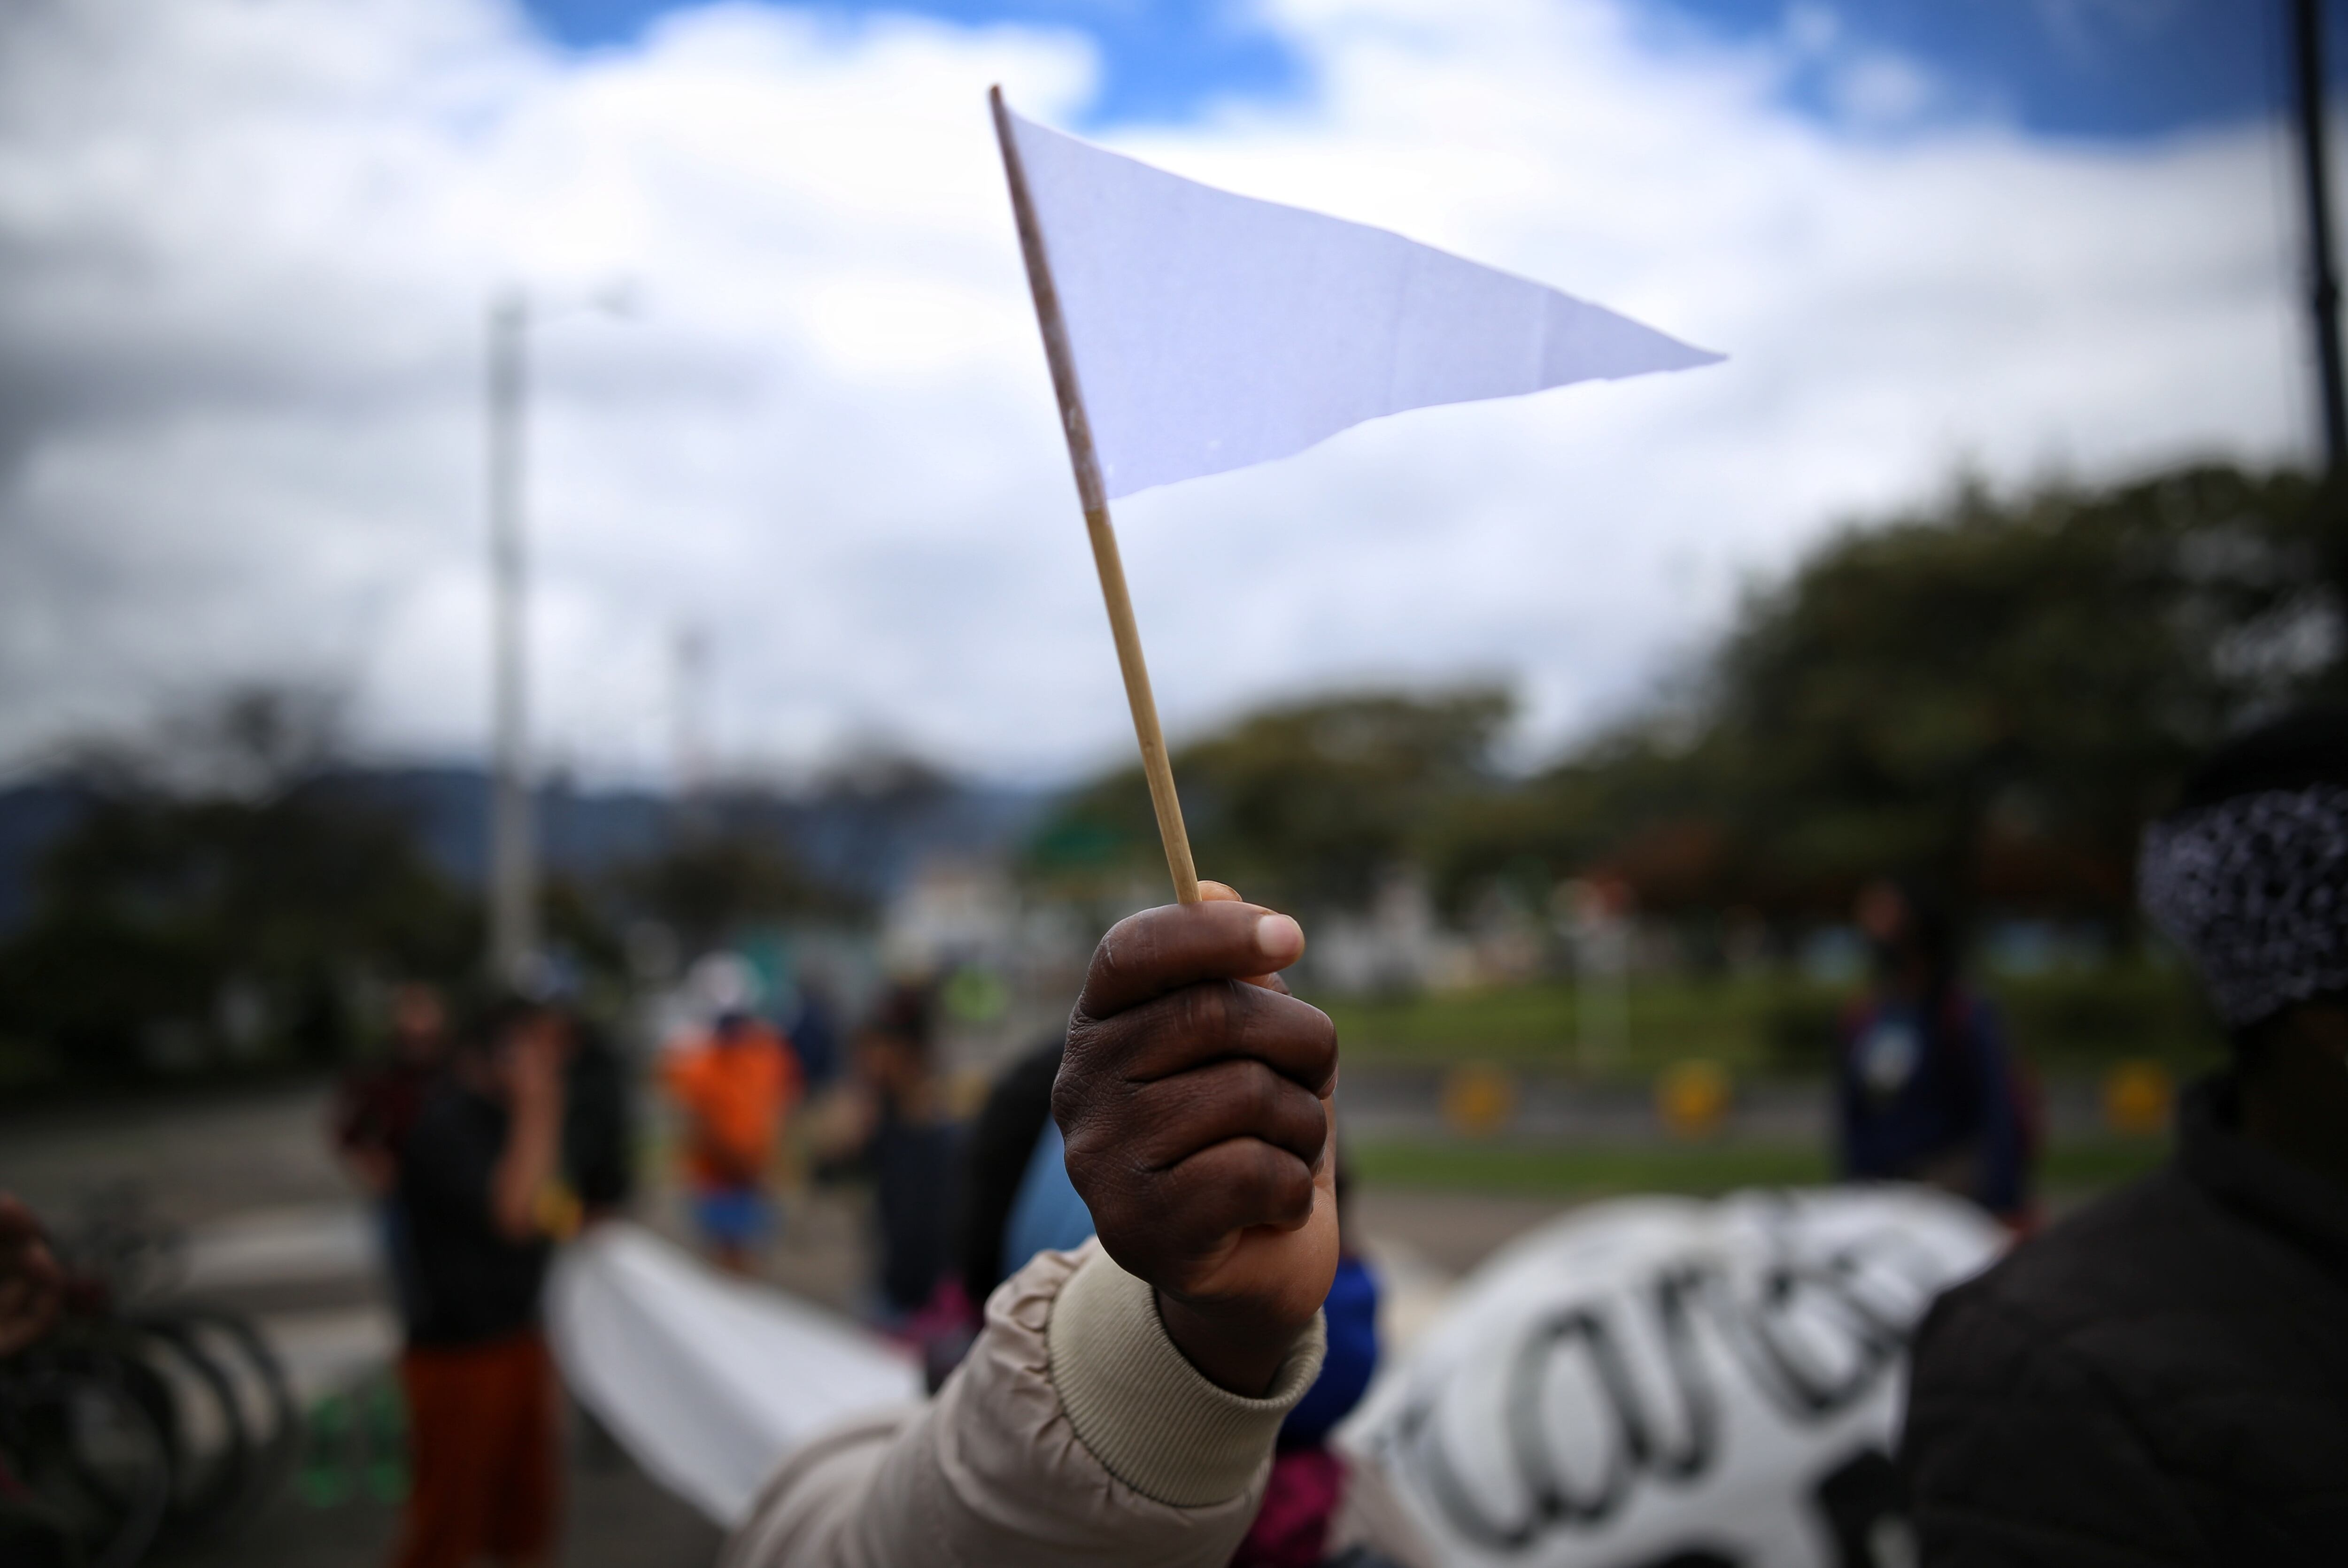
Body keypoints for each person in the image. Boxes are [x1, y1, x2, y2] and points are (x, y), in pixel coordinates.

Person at [720, 883, 1431, 1568]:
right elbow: (978, 1523)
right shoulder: (866, 1482)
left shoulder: (1371, 1513)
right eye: (1224, 1211)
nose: (1331, 1270)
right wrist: (1193, 1343)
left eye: (1335, 1221)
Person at [1900, 707, 2348, 1564]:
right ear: (2323, 1014)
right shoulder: (2055, 1373)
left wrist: (1996, 1193)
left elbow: (2000, 1111)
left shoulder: (1965, 1015)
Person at [390, 995, 571, 1568]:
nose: (552, 1063)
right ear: (501, 1051)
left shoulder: (501, 1115)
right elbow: (515, 1214)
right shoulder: (445, 1124)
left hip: (517, 1333)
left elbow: (546, 1205)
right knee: (447, 1528)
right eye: (538, 1049)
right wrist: (540, 1106)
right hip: (459, 1350)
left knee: (523, 1522)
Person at [1835, 882, 2033, 1223]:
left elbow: (1999, 1107)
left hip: (1952, 1196)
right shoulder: (1864, 1016)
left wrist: (2005, 1199)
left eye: (1885, 915)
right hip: (1881, 1197)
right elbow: (1854, 1116)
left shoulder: (1961, 1012)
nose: (1872, 929)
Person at [333, 983, 452, 1317]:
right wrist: (376, 1171)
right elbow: (349, 1134)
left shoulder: (457, 1067)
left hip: (455, 1193)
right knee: (411, 1288)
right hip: (404, 1199)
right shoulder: (379, 1074)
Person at [663, 1007, 801, 1274]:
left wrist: (764, 1164)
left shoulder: (764, 1058)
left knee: (746, 1259)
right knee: (724, 1264)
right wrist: (744, 1165)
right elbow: (700, 1127)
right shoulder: (703, 1065)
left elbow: (776, 1112)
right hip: (720, 1180)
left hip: (750, 1175)